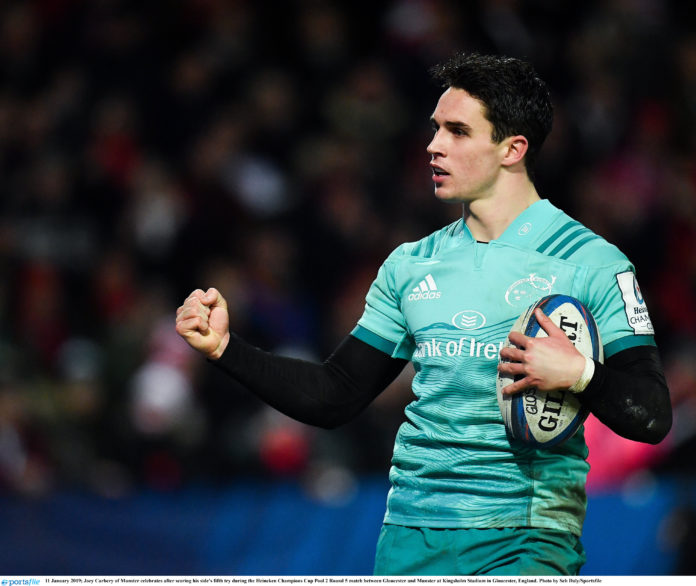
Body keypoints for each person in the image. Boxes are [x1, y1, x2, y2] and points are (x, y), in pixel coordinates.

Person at [175, 52, 672, 576]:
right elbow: (335, 393)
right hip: (409, 539)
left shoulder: (592, 263)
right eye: (435, 129)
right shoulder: (410, 265)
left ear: (512, 149)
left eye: (457, 131)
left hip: (526, 540)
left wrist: (580, 374)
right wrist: (226, 350)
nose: (434, 145)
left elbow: (654, 413)